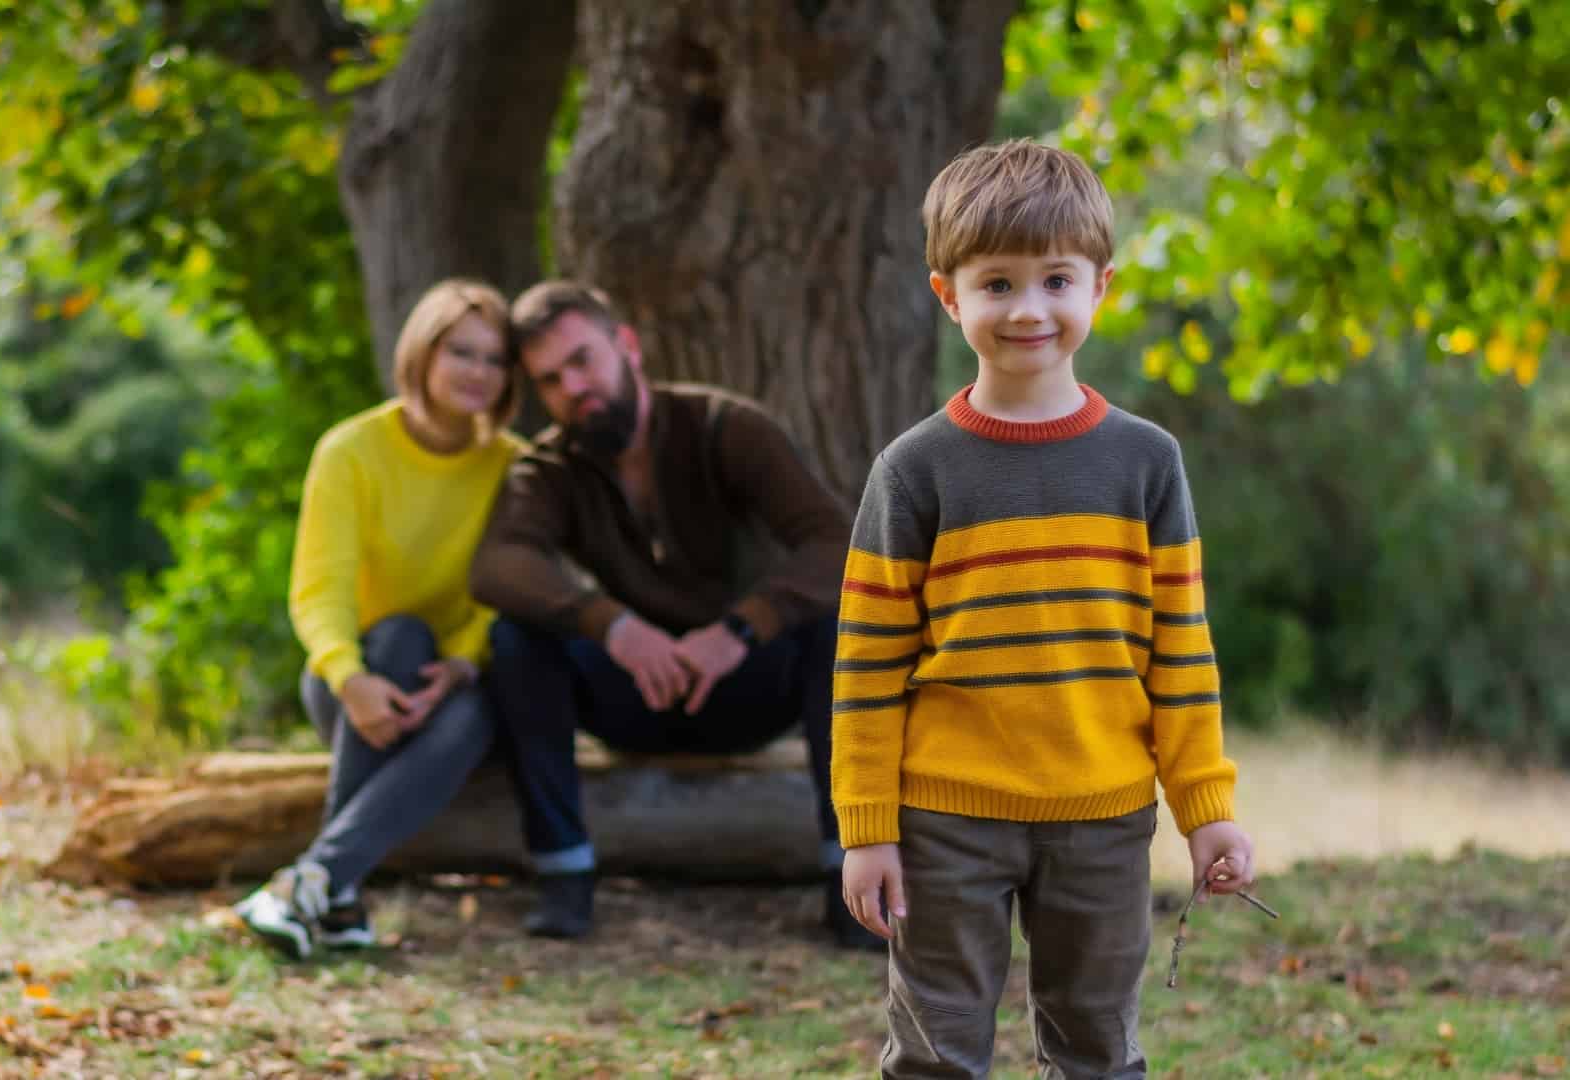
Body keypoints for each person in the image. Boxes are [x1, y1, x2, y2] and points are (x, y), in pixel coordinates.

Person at [834, 139, 1258, 1077]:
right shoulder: (913, 472)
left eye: (1056, 280)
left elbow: (1181, 651)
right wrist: (867, 828)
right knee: (937, 1049)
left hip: (1103, 817)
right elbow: (867, 662)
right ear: (949, 295)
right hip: (945, 819)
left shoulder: (1146, 463)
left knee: (1098, 1046)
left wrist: (1206, 808)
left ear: (1100, 287)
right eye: (997, 284)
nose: (1029, 309)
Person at [469, 280, 876, 948]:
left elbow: (841, 543)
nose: (574, 386)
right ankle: (564, 871)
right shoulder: (548, 468)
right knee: (515, 639)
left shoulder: (724, 426)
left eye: (582, 360)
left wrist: (745, 627)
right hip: (636, 691)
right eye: (550, 379)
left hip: (745, 683)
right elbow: (498, 565)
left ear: (625, 346)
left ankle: (848, 878)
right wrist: (613, 627)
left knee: (838, 630)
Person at [233, 279, 526, 961]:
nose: (480, 373)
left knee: (477, 708)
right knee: (397, 634)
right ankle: (330, 888)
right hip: (356, 680)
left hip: (453, 688)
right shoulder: (350, 450)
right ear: (422, 351)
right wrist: (350, 678)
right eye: (462, 351)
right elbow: (318, 588)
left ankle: (321, 886)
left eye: (495, 359)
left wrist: (462, 662)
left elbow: (511, 588)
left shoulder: (513, 465)